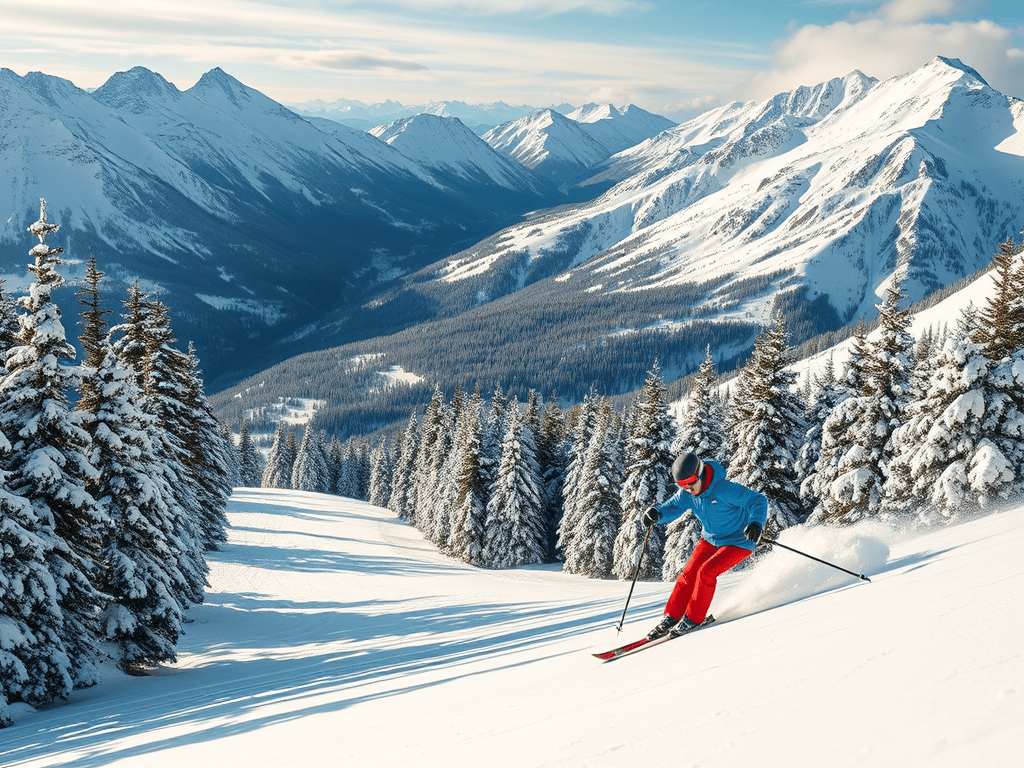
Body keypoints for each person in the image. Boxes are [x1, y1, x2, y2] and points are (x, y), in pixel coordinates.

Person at [641, 451, 768, 639]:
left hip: (739, 541)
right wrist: (657, 514)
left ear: (700, 474)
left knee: (706, 572)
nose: (689, 491)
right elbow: (672, 506)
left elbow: (757, 500)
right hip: (710, 539)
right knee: (689, 573)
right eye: (683, 487)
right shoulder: (688, 493)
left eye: (691, 485)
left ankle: (693, 618)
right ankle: (672, 616)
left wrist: (756, 523)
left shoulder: (724, 489)